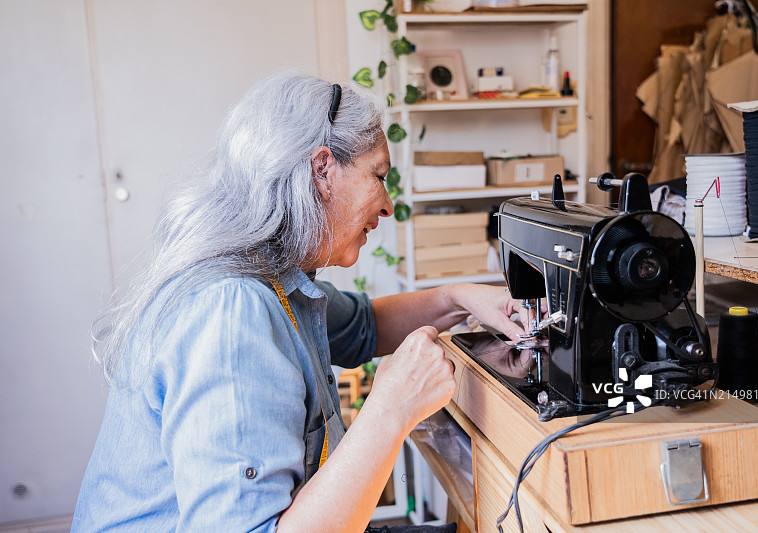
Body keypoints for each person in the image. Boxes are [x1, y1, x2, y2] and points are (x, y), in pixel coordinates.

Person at [72, 72, 526, 533]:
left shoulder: (271, 277)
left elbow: (365, 326)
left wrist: (461, 298)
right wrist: (391, 409)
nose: (388, 205)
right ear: (323, 169)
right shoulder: (231, 311)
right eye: (379, 176)